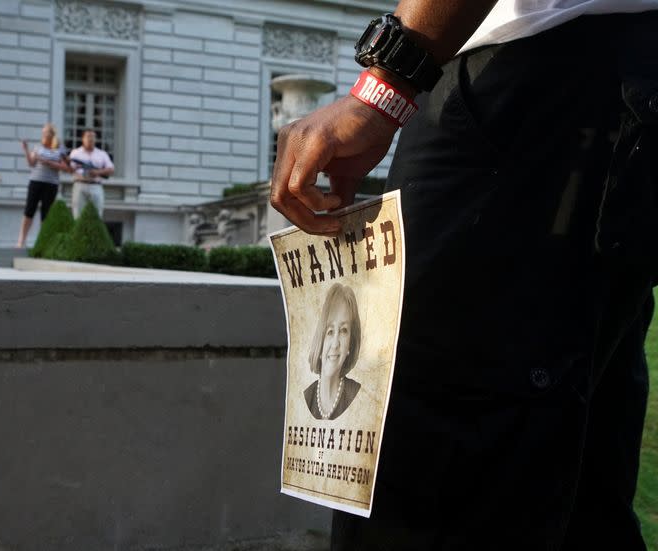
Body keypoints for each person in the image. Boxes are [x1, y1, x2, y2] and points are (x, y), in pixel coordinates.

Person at [270, 1, 657, 549]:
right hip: (594, 86)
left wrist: (386, 82)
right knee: (570, 479)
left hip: (530, 80)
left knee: (429, 476)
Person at [304, 283, 362, 421]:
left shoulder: (358, 395)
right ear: (320, 340)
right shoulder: (306, 397)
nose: (335, 343)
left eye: (343, 331)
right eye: (330, 332)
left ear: (350, 343)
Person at [17, 123, 71, 248]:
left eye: (47, 132)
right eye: (43, 133)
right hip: (36, 181)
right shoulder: (37, 147)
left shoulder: (59, 149)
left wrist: (49, 163)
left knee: (46, 214)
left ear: (52, 134)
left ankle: (42, 243)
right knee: (29, 211)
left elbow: (66, 167)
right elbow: (31, 164)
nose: (45, 135)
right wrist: (26, 149)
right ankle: (21, 241)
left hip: (51, 184)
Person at [69, 129, 114, 219]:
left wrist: (97, 172)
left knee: (97, 215)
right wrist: (75, 167)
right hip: (80, 184)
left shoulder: (102, 154)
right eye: (88, 136)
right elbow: (69, 169)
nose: (90, 139)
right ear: (83, 139)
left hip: (96, 185)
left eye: (93, 137)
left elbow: (111, 169)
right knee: (78, 216)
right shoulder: (75, 153)